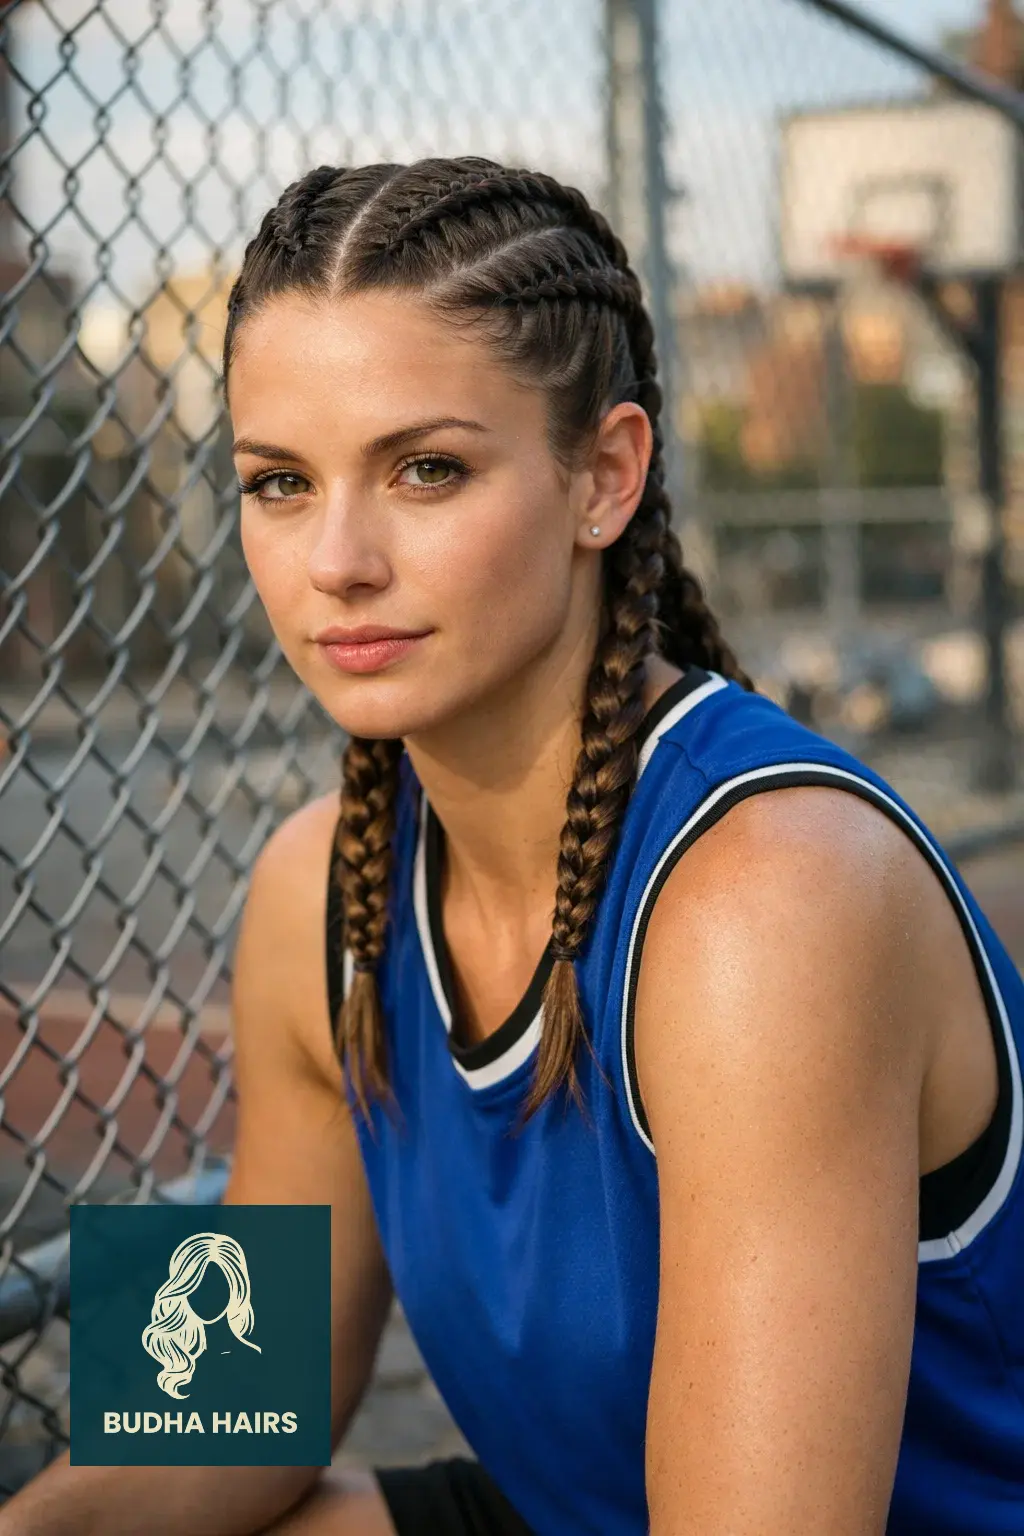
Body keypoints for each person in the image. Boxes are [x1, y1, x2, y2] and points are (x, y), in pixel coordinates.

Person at [2, 154, 1022, 1536]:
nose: (336, 559)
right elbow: (225, 1418)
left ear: (605, 477)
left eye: (426, 470)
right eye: (280, 482)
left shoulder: (766, 899)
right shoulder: (317, 888)